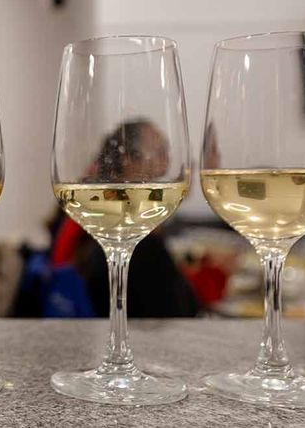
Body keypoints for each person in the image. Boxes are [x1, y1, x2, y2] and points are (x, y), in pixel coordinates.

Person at [51, 119, 199, 318]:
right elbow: (172, 312)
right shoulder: (128, 236)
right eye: (160, 154)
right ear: (127, 159)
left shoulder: (94, 207)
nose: (168, 165)